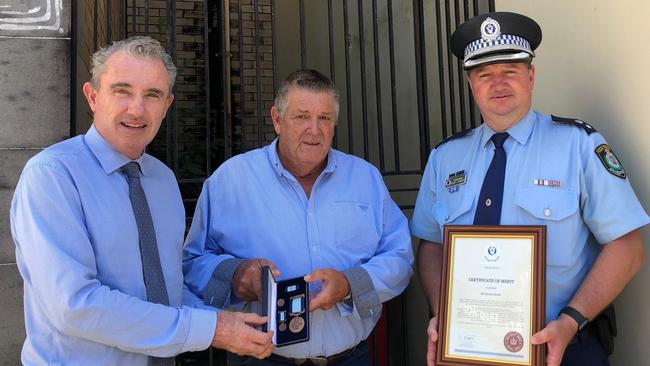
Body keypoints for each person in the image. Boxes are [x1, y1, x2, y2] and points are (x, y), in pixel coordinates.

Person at [10, 36, 273, 366]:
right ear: (92, 97)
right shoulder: (52, 176)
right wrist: (212, 329)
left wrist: (227, 322)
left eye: (152, 95)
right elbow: (74, 306)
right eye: (122, 91)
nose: (137, 108)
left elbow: (166, 289)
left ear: (167, 105)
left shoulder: (162, 180)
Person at [410, 12, 648, 366]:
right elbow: (431, 244)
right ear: (471, 85)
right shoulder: (445, 158)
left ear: (531, 76)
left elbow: (627, 247)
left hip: (564, 349)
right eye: (484, 75)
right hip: (471, 349)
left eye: (510, 71)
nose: (498, 84)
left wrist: (571, 321)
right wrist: (443, 311)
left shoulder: (578, 146)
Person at [183, 69, 414, 366]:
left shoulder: (364, 178)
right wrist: (237, 276)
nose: (314, 130)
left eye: (325, 118)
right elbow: (191, 263)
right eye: (301, 116)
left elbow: (399, 256)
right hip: (261, 359)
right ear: (277, 120)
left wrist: (349, 284)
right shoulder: (231, 180)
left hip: (350, 357)